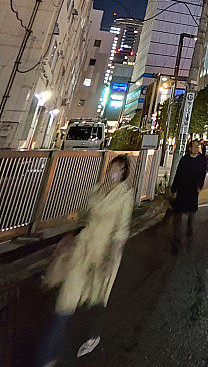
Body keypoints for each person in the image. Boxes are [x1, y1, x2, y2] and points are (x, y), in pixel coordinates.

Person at [37, 154, 134, 365]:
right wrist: (69, 237)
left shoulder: (126, 195)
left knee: (98, 296)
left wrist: (112, 256)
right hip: (84, 248)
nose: (113, 171)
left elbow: (122, 229)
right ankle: (48, 356)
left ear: (123, 172)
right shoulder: (99, 189)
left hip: (105, 253)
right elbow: (84, 216)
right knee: (67, 298)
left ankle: (94, 335)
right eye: (112, 167)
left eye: (117, 168)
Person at [170, 139, 208, 248]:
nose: (196, 148)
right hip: (182, 189)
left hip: (192, 189)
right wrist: (174, 189)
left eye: (198, 146)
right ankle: (177, 239)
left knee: (191, 212)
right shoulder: (184, 159)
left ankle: (189, 231)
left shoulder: (202, 160)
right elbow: (178, 174)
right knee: (177, 214)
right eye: (194, 146)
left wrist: (199, 186)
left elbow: (202, 174)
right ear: (190, 148)